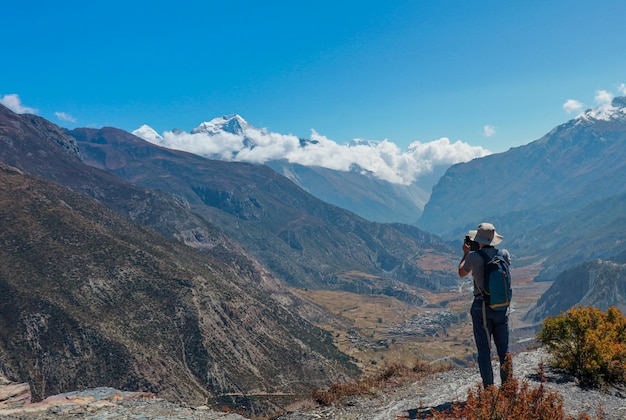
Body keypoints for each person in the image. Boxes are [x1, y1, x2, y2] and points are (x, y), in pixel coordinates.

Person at [458, 222, 512, 388]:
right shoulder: (504, 253)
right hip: (501, 307)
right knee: (504, 349)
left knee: (484, 351)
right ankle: (508, 387)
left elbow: (461, 272)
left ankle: (489, 389)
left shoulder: (474, 256)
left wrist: (466, 254)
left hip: (481, 307)